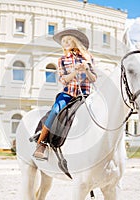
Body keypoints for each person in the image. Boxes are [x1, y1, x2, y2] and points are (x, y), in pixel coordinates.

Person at [33, 29, 97, 160]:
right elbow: (63, 80)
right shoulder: (62, 60)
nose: (65, 43)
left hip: (85, 95)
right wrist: (74, 72)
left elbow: (93, 78)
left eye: (68, 40)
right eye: (63, 41)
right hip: (68, 94)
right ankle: (42, 143)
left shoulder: (88, 58)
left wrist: (86, 69)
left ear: (75, 41)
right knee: (55, 110)